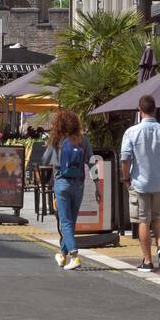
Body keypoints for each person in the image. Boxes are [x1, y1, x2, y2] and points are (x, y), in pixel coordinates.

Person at [120, 95, 160, 272]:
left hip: (140, 182)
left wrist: (126, 178)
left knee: (143, 221)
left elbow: (125, 159)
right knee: (158, 217)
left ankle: (147, 260)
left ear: (140, 110)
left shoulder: (131, 132)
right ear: (155, 110)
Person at [45, 109, 94, 270]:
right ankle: (62, 254)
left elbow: (47, 162)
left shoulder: (57, 140)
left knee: (65, 222)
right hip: (78, 185)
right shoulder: (84, 141)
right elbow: (92, 163)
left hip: (61, 183)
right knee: (71, 223)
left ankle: (74, 256)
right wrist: (98, 186)